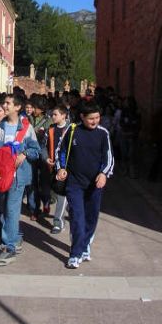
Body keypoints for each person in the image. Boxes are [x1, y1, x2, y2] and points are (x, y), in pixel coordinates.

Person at [56, 101, 114, 269]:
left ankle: (85, 244)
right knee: (77, 218)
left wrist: (104, 173)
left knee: (91, 217)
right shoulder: (73, 130)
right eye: (91, 118)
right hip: (74, 183)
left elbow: (108, 157)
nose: (95, 121)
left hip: (95, 184)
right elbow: (61, 150)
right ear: (82, 117)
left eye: (97, 117)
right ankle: (75, 254)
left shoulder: (103, 134)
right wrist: (61, 168)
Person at [0, 93, 40, 266]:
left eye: (8, 103)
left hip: (17, 178)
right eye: (4, 103)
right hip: (1, 178)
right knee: (2, 209)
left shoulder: (26, 128)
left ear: (17, 107)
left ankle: (9, 249)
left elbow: (36, 150)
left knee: (11, 210)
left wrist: (24, 153)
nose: (5, 106)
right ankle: (15, 237)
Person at [42, 105, 69, 234]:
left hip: (65, 169)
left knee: (61, 195)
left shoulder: (71, 129)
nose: (52, 117)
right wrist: (46, 157)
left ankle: (58, 222)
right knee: (54, 192)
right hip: (52, 167)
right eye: (52, 114)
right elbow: (43, 146)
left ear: (64, 115)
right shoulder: (50, 129)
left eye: (55, 115)